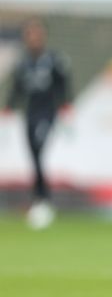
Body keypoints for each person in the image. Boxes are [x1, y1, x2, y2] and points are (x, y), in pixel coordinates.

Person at [3, 18, 72, 230]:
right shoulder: (23, 63)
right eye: (30, 33)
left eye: (37, 33)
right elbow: (17, 88)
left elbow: (63, 83)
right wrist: (9, 106)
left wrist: (65, 104)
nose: (33, 37)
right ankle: (39, 201)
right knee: (34, 155)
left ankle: (43, 201)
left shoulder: (53, 59)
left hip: (47, 114)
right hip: (30, 114)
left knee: (39, 149)